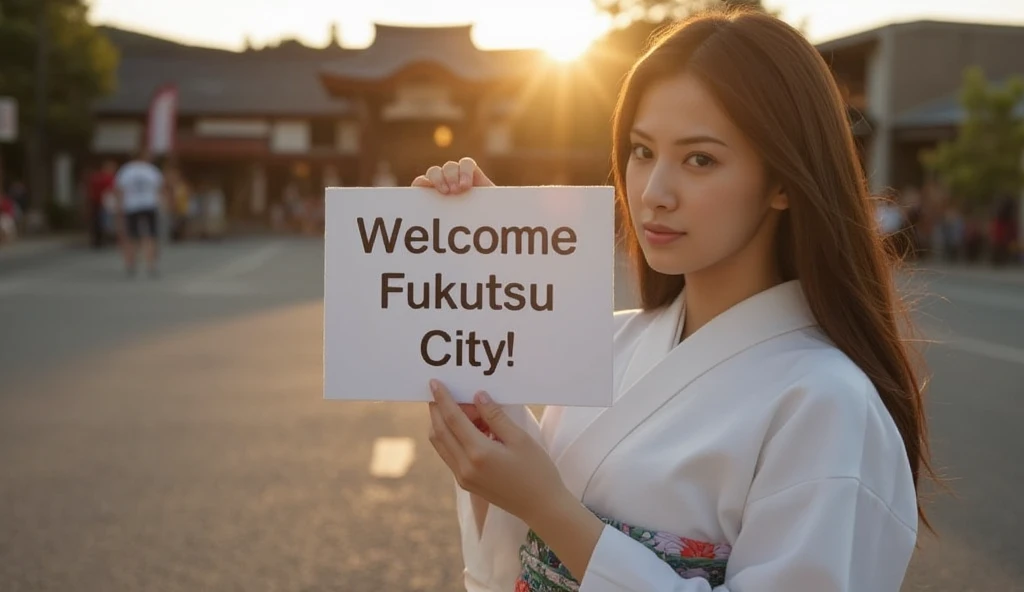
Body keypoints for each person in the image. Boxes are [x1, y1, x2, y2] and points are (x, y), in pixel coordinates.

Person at [412, 8, 933, 592]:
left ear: (784, 181)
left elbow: (546, 510)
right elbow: (507, 570)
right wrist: (475, 252)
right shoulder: (605, 343)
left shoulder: (827, 403)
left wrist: (548, 509)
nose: (654, 193)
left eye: (700, 159)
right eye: (641, 151)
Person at [113, 149, 167, 277]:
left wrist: (119, 206)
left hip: (132, 205)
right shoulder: (152, 170)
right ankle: (151, 265)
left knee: (132, 236)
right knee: (150, 236)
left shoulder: (126, 170)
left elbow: (119, 189)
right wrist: (163, 205)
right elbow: (160, 189)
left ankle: (131, 264)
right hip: (149, 204)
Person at [86, 160, 118, 248]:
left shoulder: (96, 177)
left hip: (95, 202)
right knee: (105, 221)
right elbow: (112, 190)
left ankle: (97, 240)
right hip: (104, 203)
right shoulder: (108, 178)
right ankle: (104, 238)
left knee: (97, 221)